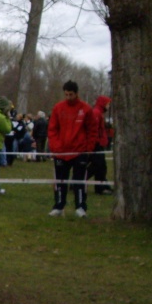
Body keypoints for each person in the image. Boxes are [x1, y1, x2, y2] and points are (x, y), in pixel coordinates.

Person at [47, 80, 97, 217]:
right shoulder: (58, 108)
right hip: (61, 152)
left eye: (71, 94)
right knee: (60, 181)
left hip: (79, 151)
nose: (68, 97)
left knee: (79, 180)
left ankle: (80, 207)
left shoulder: (86, 109)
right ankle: (58, 206)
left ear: (76, 93)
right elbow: (52, 129)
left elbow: (92, 130)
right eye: (66, 94)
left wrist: (88, 149)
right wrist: (56, 147)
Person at [87, 96, 112, 194]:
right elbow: (94, 130)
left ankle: (102, 187)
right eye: (108, 104)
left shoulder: (98, 113)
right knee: (98, 165)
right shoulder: (96, 113)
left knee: (101, 166)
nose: (109, 106)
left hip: (98, 143)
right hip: (96, 144)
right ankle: (78, 181)